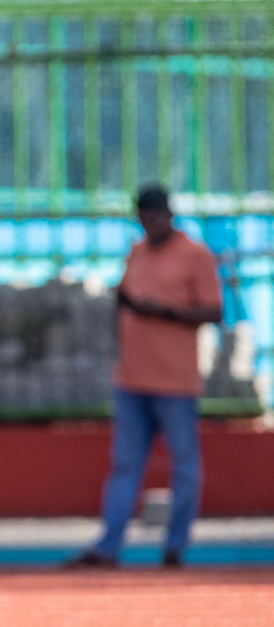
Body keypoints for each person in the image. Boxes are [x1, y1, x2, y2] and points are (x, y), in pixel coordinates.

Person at [67, 185, 222, 570]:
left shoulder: (195, 255)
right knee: (124, 464)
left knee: (184, 466)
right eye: (142, 218)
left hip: (175, 382)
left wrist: (164, 312)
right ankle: (108, 546)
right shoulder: (137, 251)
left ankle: (175, 546)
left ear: (168, 215)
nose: (149, 225)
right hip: (133, 379)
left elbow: (215, 312)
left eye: (154, 217)